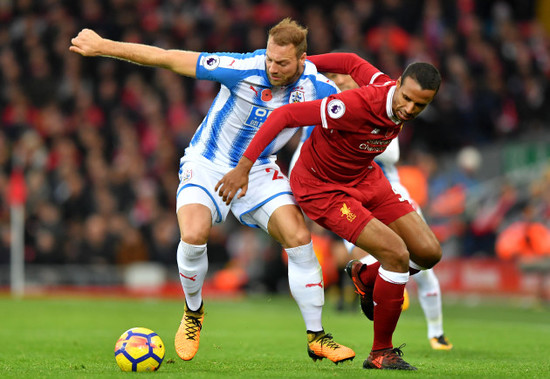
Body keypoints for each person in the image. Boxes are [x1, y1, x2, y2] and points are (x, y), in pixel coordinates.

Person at [69, 19, 355, 364]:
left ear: (302, 59)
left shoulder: (317, 87)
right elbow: (167, 57)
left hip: (259, 169)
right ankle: (193, 314)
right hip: (207, 163)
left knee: (298, 236)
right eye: (269, 59)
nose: (272, 68)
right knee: (193, 234)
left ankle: (317, 337)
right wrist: (104, 46)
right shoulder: (242, 68)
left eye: (282, 63)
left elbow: (361, 108)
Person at [216, 52, 442, 370]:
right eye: (407, 99)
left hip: (364, 177)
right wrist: (244, 167)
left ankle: (366, 276)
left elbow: (350, 61)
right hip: (323, 189)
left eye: (420, 105)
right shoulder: (353, 106)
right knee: (396, 254)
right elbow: (284, 117)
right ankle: (381, 353)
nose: (409, 109)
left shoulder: (383, 84)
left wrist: (312, 61)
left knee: (429, 252)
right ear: (399, 83)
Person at [292, 72, 452, 351]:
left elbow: (390, 156)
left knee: (427, 255)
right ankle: (379, 345)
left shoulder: (390, 109)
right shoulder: (331, 113)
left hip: (387, 188)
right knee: (387, 255)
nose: (342, 84)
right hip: (342, 195)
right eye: (336, 81)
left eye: (346, 80)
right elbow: (300, 157)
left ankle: (433, 329)